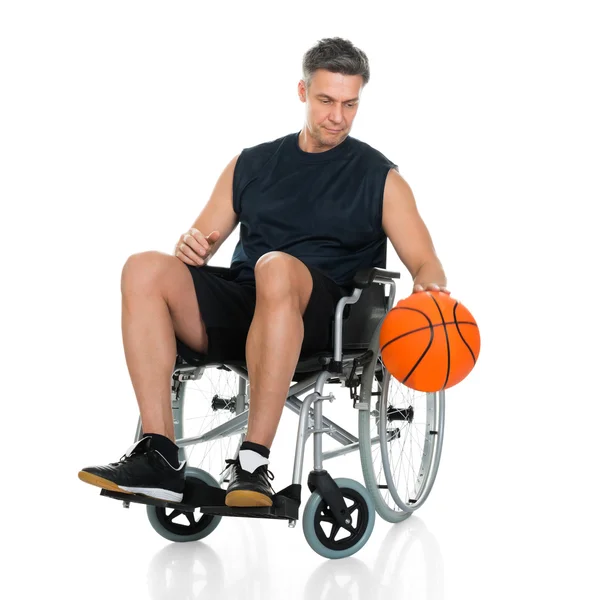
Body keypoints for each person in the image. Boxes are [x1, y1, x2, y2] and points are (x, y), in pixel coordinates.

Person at [78, 37, 449, 508]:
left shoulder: (380, 177)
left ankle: (253, 462)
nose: (338, 116)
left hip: (326, 317)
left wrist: (430, 284)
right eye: (326, 101)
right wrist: (188, 246)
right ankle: (160, 455)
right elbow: (202, 240)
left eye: (350, 104)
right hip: (247, 302)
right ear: (302, 92)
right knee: (144, 269)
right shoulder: (252, 164)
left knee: (276, 268)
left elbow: (424, 260)